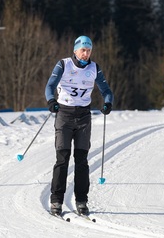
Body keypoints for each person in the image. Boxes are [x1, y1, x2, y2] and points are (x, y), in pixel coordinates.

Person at [45, 35, 113, 216]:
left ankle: (81, 201)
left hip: (83, 117)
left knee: (82, 161)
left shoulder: (94, 68)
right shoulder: (63, 64)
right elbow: (50, 85)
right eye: (83, 50)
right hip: (64, 116)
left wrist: (107, 103)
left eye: (89, 50)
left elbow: (106, 91)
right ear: (75, 50)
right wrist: (51, 100)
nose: (86, 54)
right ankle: (56, 201)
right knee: (62, 158)